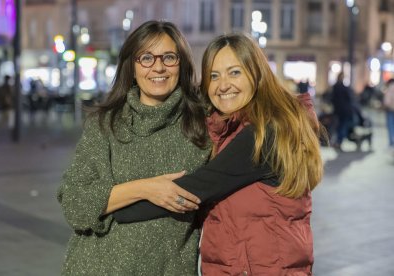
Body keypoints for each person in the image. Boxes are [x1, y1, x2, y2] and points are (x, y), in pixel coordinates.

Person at [113, 33, 324, 275]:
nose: (223, 85)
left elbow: (194, 190)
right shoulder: (242, 127)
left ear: (256, 75)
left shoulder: (263, 135)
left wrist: (113, 205)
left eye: (234, 72)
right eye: (214, 75)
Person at [57, 20, 212, 275]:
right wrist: (146, 189)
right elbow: (75, 204)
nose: (158, 67)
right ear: (132, 65)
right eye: (146, 58)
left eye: (169, 57)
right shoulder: (106, 124)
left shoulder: (202, 124)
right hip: (97, 267)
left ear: (182, 63)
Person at [330, 72, 356, 151]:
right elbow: (349, 98)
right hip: (345, 110)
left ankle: (338, 141)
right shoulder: (344, 88)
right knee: (343, 125)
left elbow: (333, 99)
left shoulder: (335, 87)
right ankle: (339, 141)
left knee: (339, 125)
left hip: (338, 110)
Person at [383, 78, 394, 153]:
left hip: (391, 109)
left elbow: (387, 100)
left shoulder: (390, 88)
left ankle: (391, 143)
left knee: (390, 126)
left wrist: (385, 105)